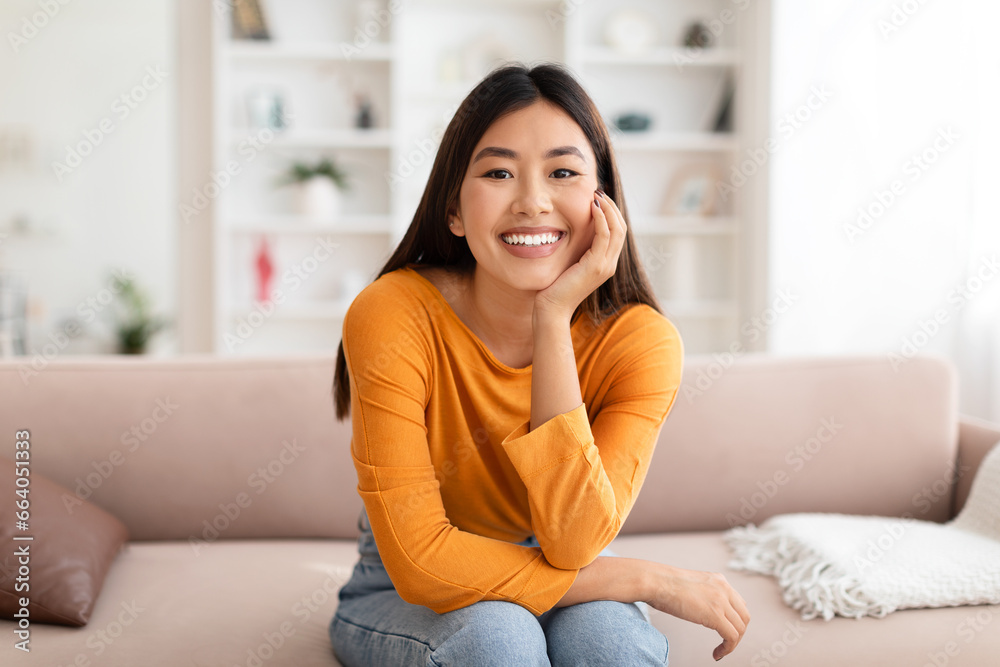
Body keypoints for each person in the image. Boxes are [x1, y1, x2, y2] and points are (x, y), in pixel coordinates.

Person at [328, 62, 749, 666]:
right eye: (499, 172)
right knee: (497, 637)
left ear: (602, 205)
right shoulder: (392, 313)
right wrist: (650, 580)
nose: (532, 201)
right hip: (402, 590)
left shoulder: (642, 343)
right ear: (453, 209)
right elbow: (422, 564)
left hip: (563, 562)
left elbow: (572, 541)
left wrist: (552, 318)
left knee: (611, 644)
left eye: (563, 172)